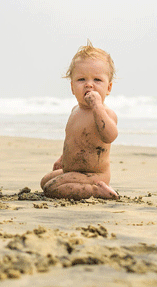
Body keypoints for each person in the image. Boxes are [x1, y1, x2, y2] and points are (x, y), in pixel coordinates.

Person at [40, 41, 119, 200]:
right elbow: (74, 141)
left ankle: (97, 191)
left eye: (97, 80)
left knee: (51, 188)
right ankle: (90, 188)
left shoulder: (105, 113)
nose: (89, 85)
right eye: (81, 79)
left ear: (108, 88)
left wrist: (97, 106)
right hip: (74, 171)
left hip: (94, 174)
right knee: (45, 181)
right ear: (72, 87)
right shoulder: (75, 111)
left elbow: (110, 136)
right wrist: (63, 159)